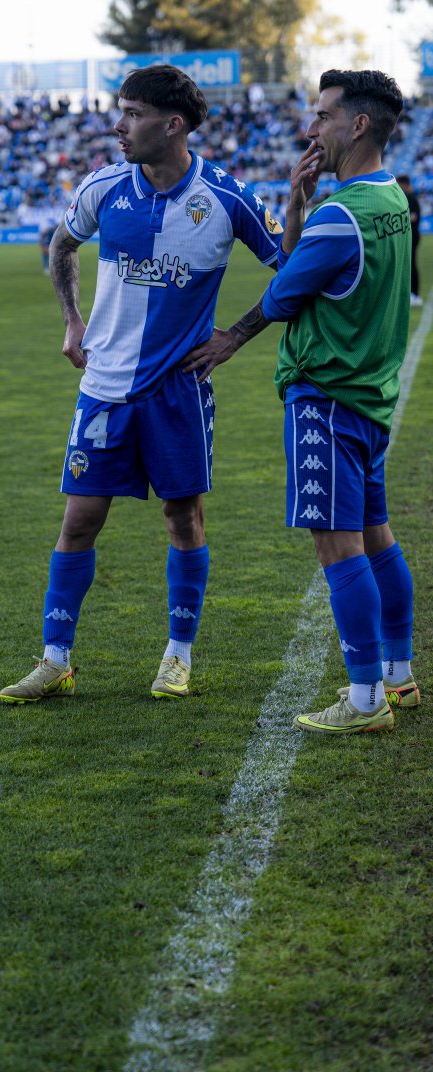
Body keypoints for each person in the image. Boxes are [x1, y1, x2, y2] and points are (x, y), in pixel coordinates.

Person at [0, 64, 283, 704]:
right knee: (78, 522)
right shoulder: (104, 187)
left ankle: (177, 656)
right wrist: (73, 320)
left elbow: (288, 272)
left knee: (183, 517)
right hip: (102, 388)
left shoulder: (228, 198)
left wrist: (235, 334)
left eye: (131, 114)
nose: (118, 126)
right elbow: (62, 245)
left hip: (177, 391)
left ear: (171, 124)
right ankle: (54, 658)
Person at [183, 69, 417, 735]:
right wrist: (295, 204)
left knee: (336, 544)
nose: (311, 129)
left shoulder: (342, 218)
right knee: (375, 535)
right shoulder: (390, 200)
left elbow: (283, 291)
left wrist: (230, 338)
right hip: (368, 398)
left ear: (358, 124)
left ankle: (366, 699)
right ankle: (398, 677)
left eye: (322, 116)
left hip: (328, 398)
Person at [396, 173, 423, 304]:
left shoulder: (411, 198)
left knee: (411, 264)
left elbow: (414, 217)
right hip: (411, 235)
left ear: (405, 185)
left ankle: (415, 294)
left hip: (413, 236)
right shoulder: (408, 197)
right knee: (408, 264)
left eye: (399, 184)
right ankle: (411, 293)